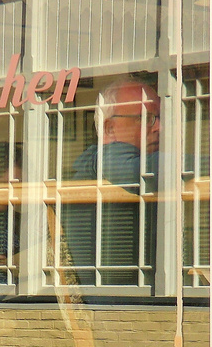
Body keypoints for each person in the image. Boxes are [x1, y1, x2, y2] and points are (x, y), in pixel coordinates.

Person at [63, 78, 160, 282]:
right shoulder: (108, 157)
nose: (159, 127)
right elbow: (134, 170)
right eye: (146, 118)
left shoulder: (94, 164)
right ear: (109, 129)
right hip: (121, 303)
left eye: (161, 118)